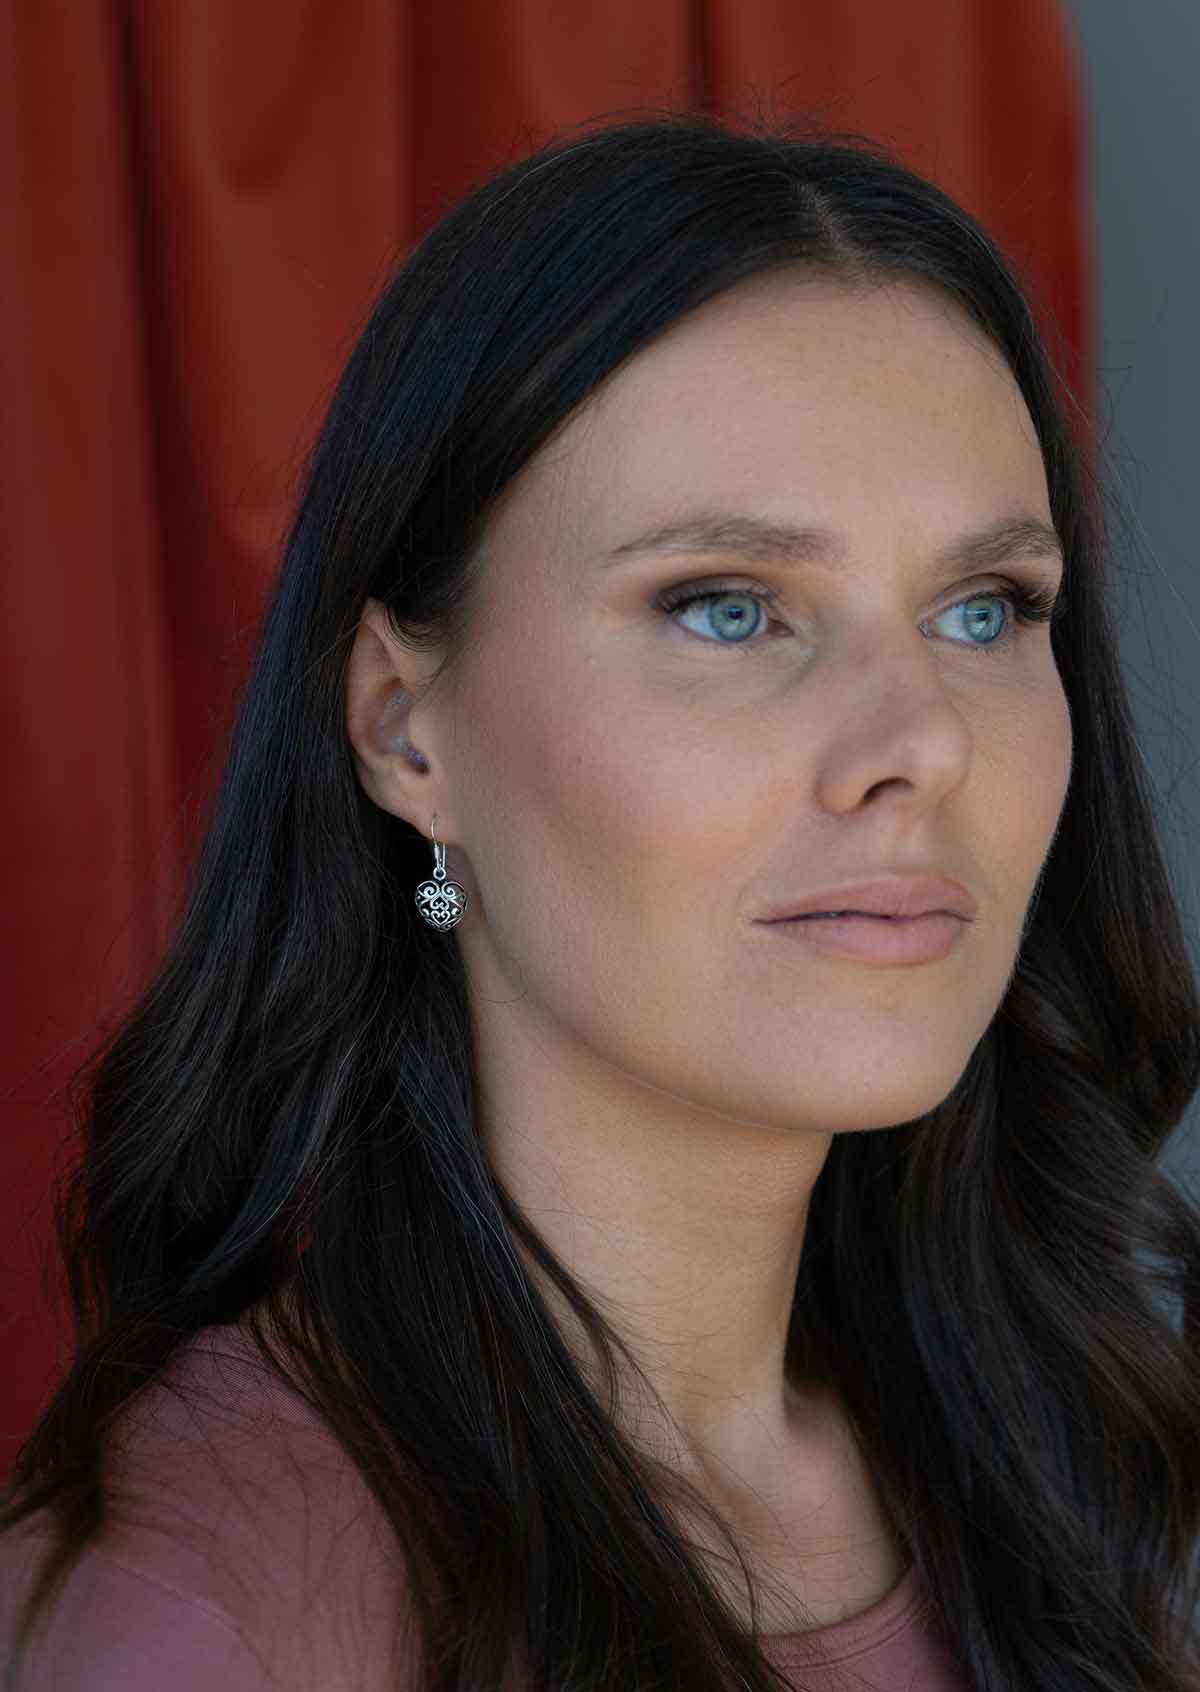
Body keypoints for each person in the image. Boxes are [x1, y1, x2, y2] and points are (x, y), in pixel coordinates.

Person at [3, 110, 1199, 1692]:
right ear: (402, 729)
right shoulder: (208, 1614)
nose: (921, 742)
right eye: (727, 609)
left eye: (985, 609)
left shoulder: (1042, 1451)